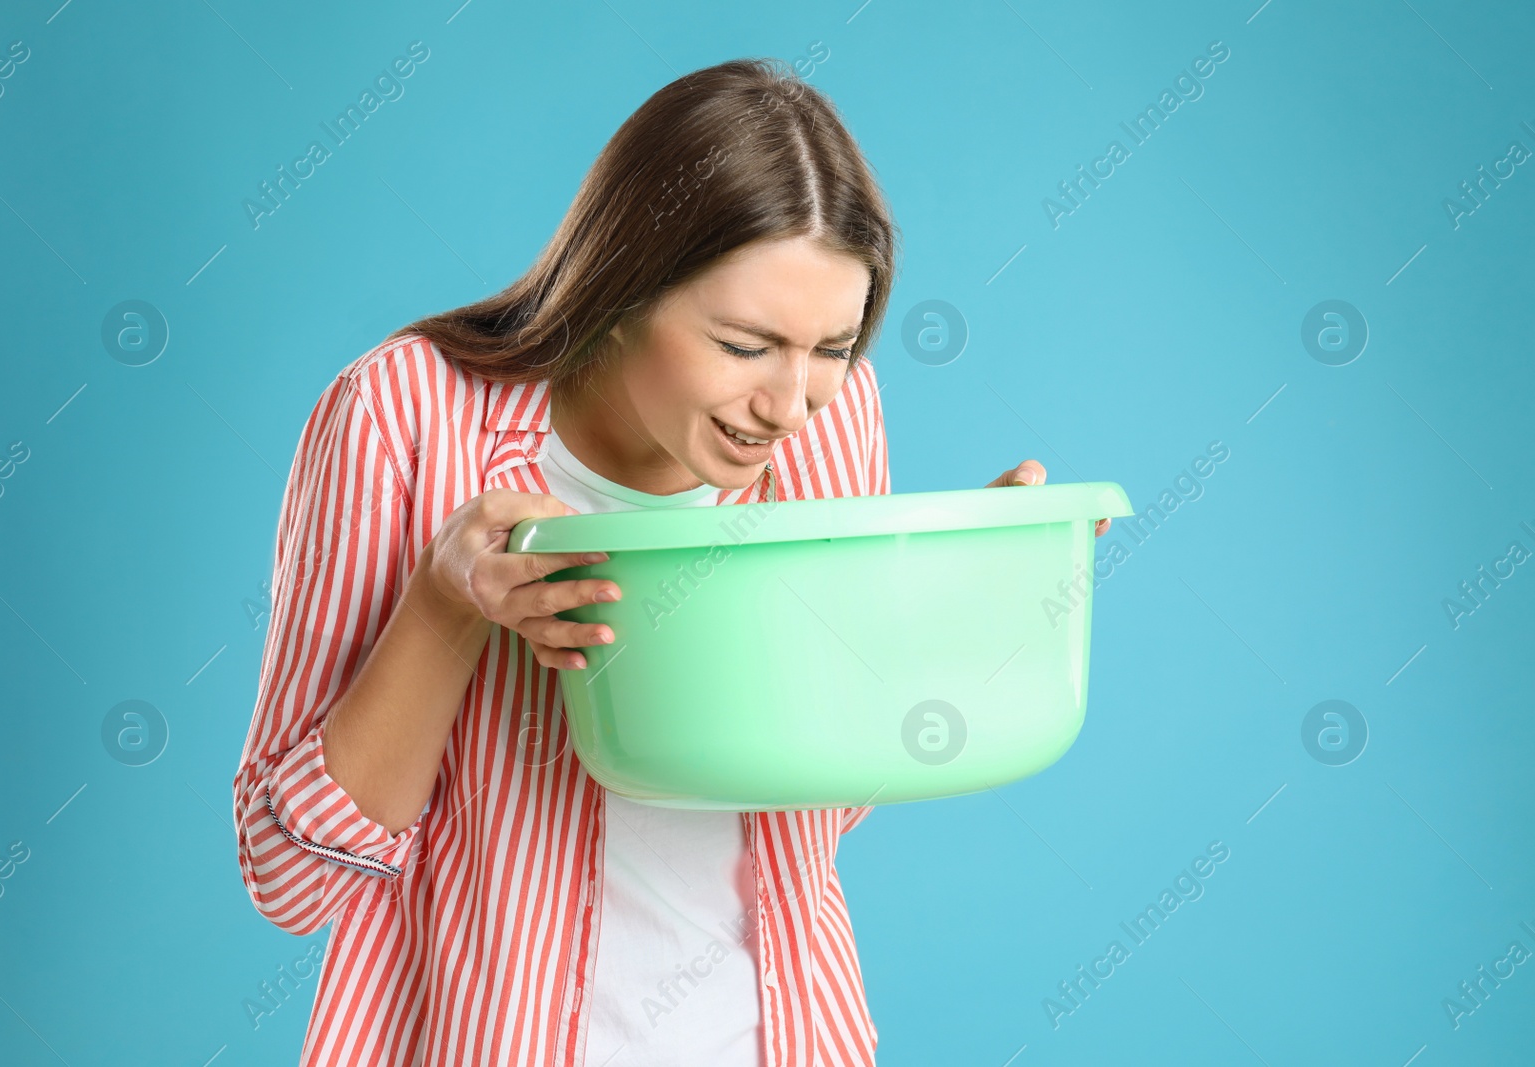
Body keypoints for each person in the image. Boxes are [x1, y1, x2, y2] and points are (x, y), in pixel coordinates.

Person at [231, 56, 1081, 1067]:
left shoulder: (830, 414)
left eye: (833, 345)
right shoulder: (403, 416)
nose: (787, 401)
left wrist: (933, 592)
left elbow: (820, 803)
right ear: (625, 289)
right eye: (743, 342)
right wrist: (444, 605)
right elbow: (291, 880)